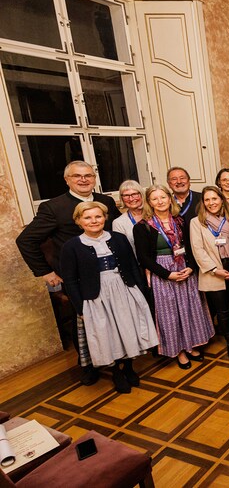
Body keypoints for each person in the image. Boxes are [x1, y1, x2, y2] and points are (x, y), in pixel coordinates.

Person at [16, 160, 121, 384]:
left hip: (110, 273)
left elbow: (116, 233)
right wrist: (45, 272)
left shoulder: (106, 202)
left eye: (88, 175)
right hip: (77, 278)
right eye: (77, 176)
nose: (83, 180)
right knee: (83, 321)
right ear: (67, 180)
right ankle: (89, 365)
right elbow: (25, 240)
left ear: (94, 178)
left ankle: (118, 362)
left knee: (112, 318)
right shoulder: (53, 207)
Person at [61, 202, 158, 393]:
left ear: (105, 218)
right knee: (107, 334)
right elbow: (70, 281)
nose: (94, 221)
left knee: (128, 328)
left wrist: (140, 291)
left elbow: (132, 266)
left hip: (123, 289)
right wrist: (81, 308)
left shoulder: (119, 238)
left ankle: (128, 367)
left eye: (98, 216)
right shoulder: (71, 246)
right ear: (79, 221)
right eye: (87, 217)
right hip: (96, 297)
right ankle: (116, 372)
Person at [134, 185, 214, 369]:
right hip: (163, 274)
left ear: (170, 199)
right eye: (155, 199)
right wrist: (167, 274)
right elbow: (144, 258)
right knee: (170, 314)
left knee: (190, 309)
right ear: (149, 203)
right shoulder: (142, 227)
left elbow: (192, 247)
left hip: (184, 269)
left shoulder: (181, 221)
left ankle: (192, 344)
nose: (160, 201)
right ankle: (179, 351)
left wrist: (191, 267)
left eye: (163, 197)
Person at [190, 186, 229, 359]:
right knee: (223, 311)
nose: (211, 203)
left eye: (215, 198)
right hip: (213, 272)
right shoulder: (196, 222)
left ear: (221, 200)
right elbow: (197, 249)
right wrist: (214, 270)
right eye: (207, 200)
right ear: (203, 203)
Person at [112, 180, 146, 257]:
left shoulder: (153, 215)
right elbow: (121, 250)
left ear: (141, 194)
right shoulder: (118, 223)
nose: (131, 199)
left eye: (134, 194)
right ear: (122, 198)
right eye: (126, 195)